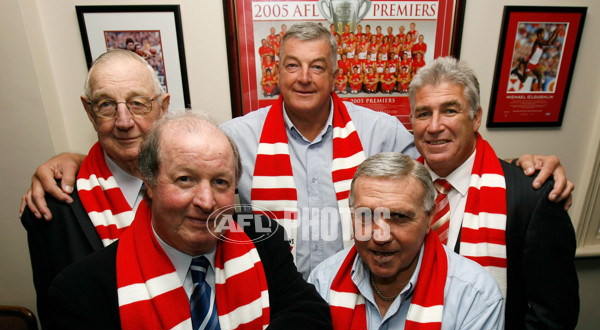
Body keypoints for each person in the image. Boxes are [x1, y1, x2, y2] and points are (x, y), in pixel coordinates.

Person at [20, 22, 573, 280]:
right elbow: (175, 166)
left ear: (338, 71)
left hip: (365, 295)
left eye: (318, 66)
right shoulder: (235, 137)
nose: (304, 77)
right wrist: (70, 156)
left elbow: (447, 156)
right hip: (270, 301)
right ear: (274, 71)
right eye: (291, 65)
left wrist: (522, 164)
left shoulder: (380, 131)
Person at [44, 110, 333, 330]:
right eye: (185, 179)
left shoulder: (260, 238)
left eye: (221, 182)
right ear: (149, 183)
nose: (206, 201)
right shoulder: (84, 289)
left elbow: (310, 324)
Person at [408, 56, 579, 330]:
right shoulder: (399, 188)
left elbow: (555, 312)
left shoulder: (532, 196)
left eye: (449, 110)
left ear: (476, 117)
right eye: (423, 113)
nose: (434, 126)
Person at [287, 152, 505, 330]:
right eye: (366, 216)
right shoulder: (323, 282)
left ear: (430, 219)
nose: (380, 235)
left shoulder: (474, 297)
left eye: (399, 217)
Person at [21, 49, 170, 330]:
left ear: (163, 107)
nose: (124, 121)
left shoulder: (197, 184)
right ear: (89, 112)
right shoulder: (53, 209)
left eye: (138, 103)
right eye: (106, 105)